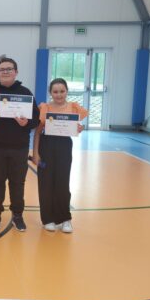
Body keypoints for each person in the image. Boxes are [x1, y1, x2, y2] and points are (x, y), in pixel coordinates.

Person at [0, 57, 39, 232]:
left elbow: (35, 119)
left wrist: (26, 123)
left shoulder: (25, 93)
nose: (5, 72)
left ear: (16, 72)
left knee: (17, 183)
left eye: (9, 69)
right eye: (2, 69)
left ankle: (17, 215)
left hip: (19, 148)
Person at [32, 78, 88, 233]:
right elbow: (37, 132)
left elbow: (76, 127)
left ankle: (65, 219)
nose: (59, 94)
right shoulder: (45, 108)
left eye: (62, 91)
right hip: (46, 146)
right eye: (55, 91)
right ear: (50, 93)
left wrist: (79, 128)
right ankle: (47, 219)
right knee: (45, 183)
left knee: (63, 183)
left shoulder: (73, 108)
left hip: (64, 147)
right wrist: (35, 153)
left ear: (67, 91)